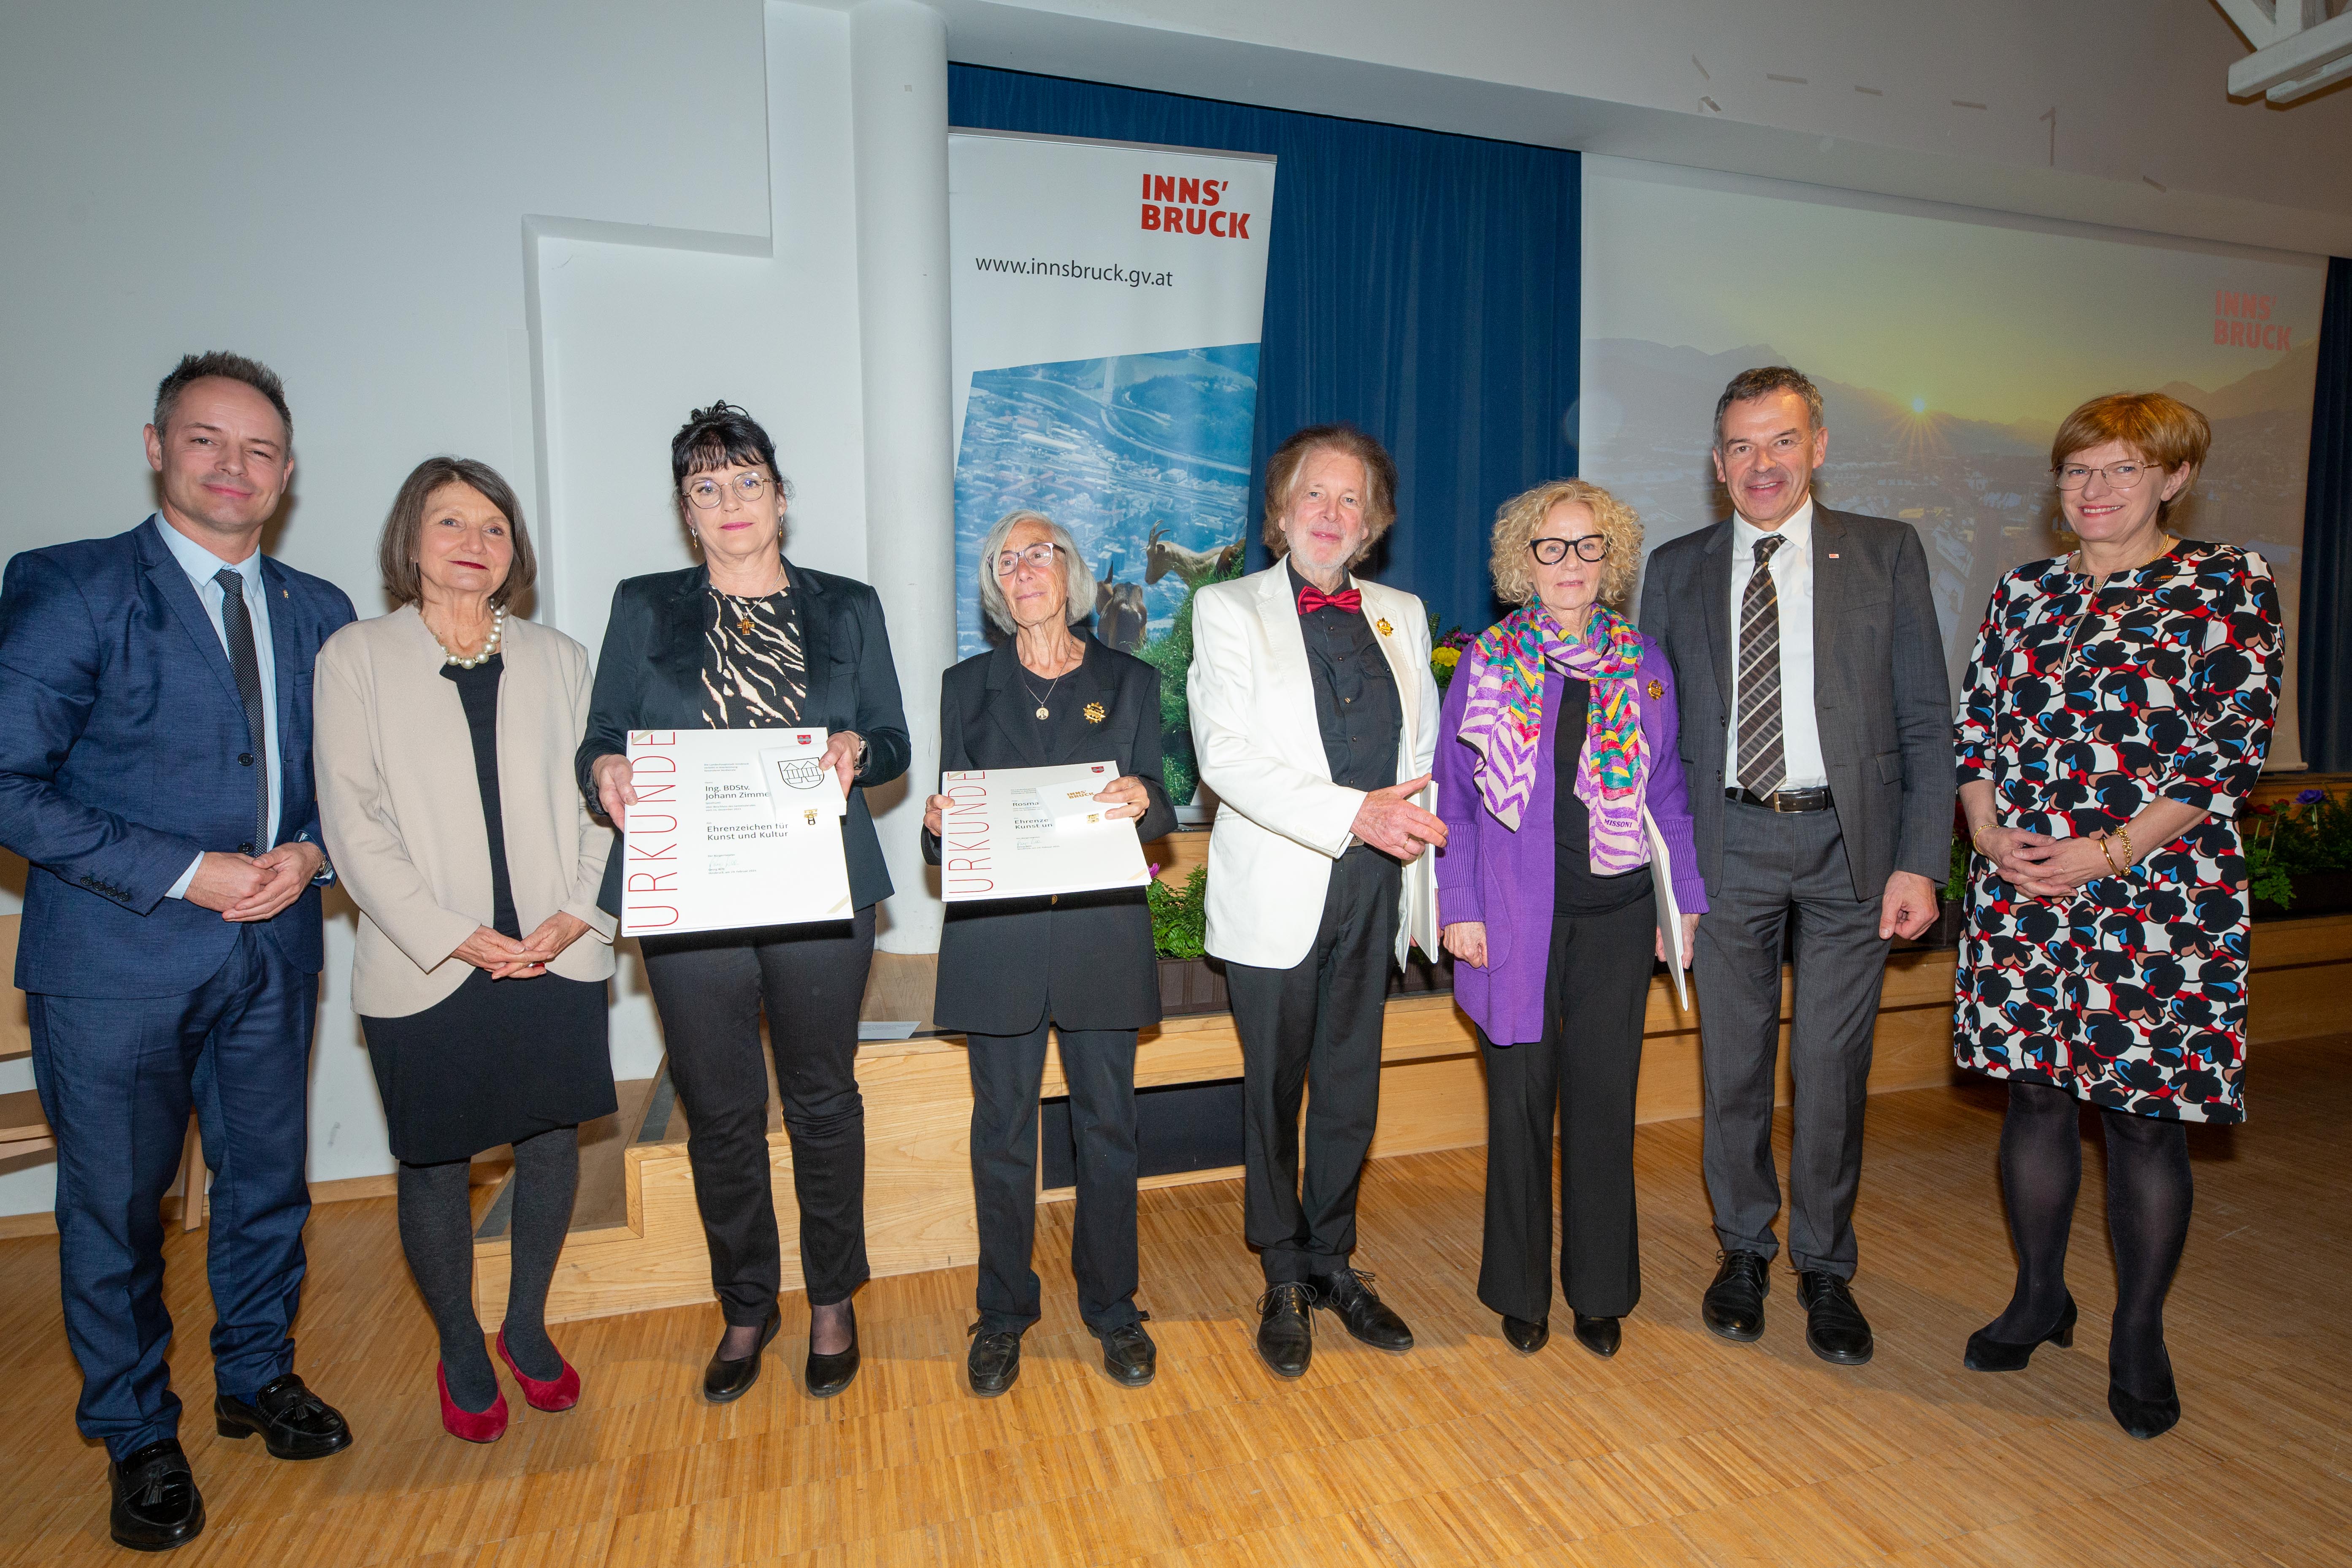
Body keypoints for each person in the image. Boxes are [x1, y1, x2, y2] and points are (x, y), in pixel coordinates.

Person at [0, 353, 356, 1551]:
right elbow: (10, 783)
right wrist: (184, 869)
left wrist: (310, 856)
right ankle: (137, 1429)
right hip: (115, 963)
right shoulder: (71, 588)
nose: (234, 467)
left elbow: (347, 794)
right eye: (207, 441)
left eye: (259, 450)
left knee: (267, 1189)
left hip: (275, 951)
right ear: (156, 447)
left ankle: (256, 1376)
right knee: (116, 1211)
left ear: (288, 472)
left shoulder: (321, 612)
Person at [1952, 393, 2279, 1440]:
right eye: (2079, 471)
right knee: (2036, 1100)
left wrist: (2110, 850)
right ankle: (2041, 1295)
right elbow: (1978, 728)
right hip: (2027, 884)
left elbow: (2227, 749)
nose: (2094, 491)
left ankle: (2140, 1331)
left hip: (2157, 894)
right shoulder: (2026, 591)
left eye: (2122, 471)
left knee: (2143, 1121)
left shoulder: (2227, 582)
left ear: (2173, 480)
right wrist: (1989, 833)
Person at [579, 401, 908, 1404]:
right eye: (706, 487)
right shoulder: (644, 606)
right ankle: (747, 1304)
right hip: (690, 889)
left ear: (780, 495)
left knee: (823, 1100)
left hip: (818, 890)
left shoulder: (848, 606)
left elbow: (892, 738)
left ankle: (835, 1296)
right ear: (687, 511)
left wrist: (859, 748)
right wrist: (603, 768)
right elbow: (601, 730)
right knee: (721, 1111)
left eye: (747, 481)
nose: (730, 502)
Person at [1637, 366, 1951, 1367]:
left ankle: (1825, 1264)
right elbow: (1651, 737)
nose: (1761, 464)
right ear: (1716, 461)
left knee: (1830, 1067)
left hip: (1851, 848)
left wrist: (1919, 861)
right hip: (1728, 845)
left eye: (1781, 441)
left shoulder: (1888, 553)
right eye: (1740, 446)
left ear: (1818, 446)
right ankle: (1743, 1248)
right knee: (1730, 1066)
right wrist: (1668, 879)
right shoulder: (1678, 568)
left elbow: (1926, 722)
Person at [314, 457, 618, 1442]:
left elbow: (603, 804)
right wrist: (453, 936)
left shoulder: (563, 657)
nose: (474, 544)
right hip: (427, 962)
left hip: (552, 951)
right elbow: (352, 822)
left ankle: (526, 1326)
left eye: (493, 527)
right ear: (412, 541)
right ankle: (457, 1342)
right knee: (436, 1159)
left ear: (514, 549)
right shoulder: (354, 656)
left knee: (548, 1145)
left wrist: (582, 911)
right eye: (451, 524)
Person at [1188, 423, 1445, 1378]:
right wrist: (1357, 815)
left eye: (1351, 500)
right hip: (1282, 881)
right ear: (1281, 511)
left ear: (1373, 521)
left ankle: (1335, 1258)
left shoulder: (1403, 613)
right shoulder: (1228, 609)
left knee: (1349, 1086)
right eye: (1313, 496)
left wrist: (1414, 844)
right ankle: (1283, 1271)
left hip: (1378, 883)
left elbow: (1420, 754)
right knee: (1273, 1093)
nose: (1331, 514)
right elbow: (1227, 760)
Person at [1435, 480, 1708, 1361]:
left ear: (1611, 560)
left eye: (1589, 547)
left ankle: (1600, 1290)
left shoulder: (1647, 663)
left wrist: (1683, 902)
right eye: (1551, 547)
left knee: (1602, 1105)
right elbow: (1456, 798)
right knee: (1521, 1106)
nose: (1571, 564)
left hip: (1619, 917)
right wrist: (1461, 907)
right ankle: (1520, 1290)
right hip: (1514, 919)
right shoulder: (1487, 663)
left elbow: (1667, 790)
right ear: (1524, 562)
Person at [920, 509, 1177, 1396]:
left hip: (1100, 938)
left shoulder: (1130, 681)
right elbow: (950, 829)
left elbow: (1165, 809)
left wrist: (1147, 795)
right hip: (999, 947)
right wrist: (935, 825)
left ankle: (1113, 1307)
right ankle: (1003, 1313)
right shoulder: (965, 687)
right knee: (1000, 1135)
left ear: (1067, 572)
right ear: (997, 585)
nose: (1024, 569)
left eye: (1039, 554)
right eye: (1006, 560)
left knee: (1109, 1129)